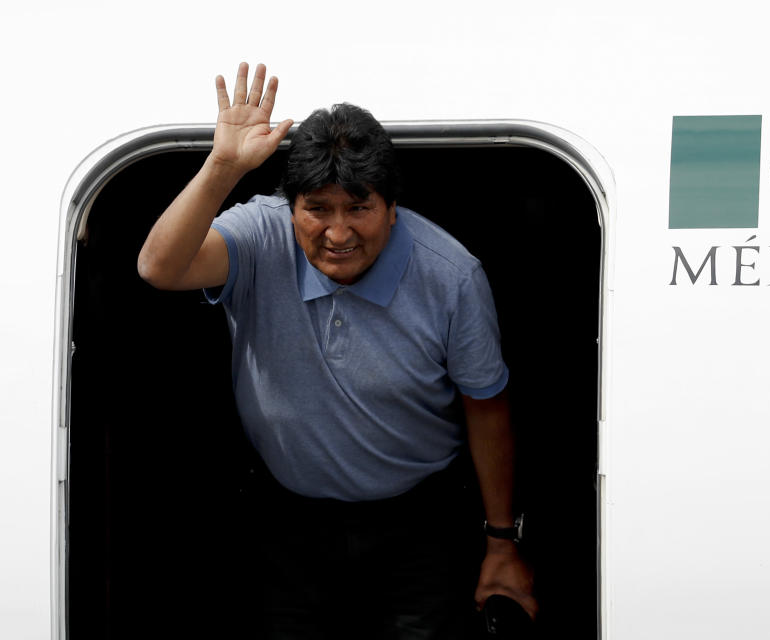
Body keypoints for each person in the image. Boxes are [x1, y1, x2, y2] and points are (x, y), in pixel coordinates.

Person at [138, 62, 536, 639]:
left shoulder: (451, 276)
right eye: (317, 209)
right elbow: (158, 267)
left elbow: (487, 408)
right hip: (287, 522)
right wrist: (223, 166)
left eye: (359, 208)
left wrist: (501, 541)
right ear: (289, 206)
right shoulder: (260, 235)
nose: (339, 232)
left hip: (418, 523)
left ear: (393, 208)